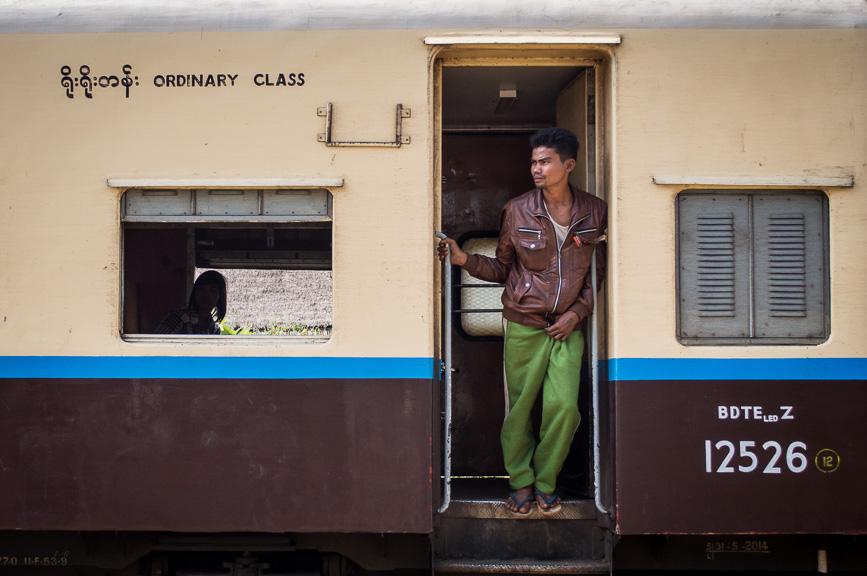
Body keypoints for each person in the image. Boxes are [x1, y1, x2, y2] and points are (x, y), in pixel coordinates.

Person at [437, 127, 607, 515]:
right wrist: (464, 261)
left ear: (569, 165)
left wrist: (576, 313)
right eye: (533, 162)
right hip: (523, 323)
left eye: (544, 161)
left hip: (568, 327)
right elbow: (502, 268)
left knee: (564, 408)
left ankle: (546, 480)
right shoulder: (517, 210)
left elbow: (598, 270)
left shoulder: (595, 211)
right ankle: (522, 483)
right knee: (519, 408)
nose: (536, 168)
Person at [155, 270, 227, 335]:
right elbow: (156, 346)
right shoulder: (178, 319)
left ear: (220, 297)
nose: (205, 295)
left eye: (212, 291)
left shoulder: (214, 329)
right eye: (201, 289)